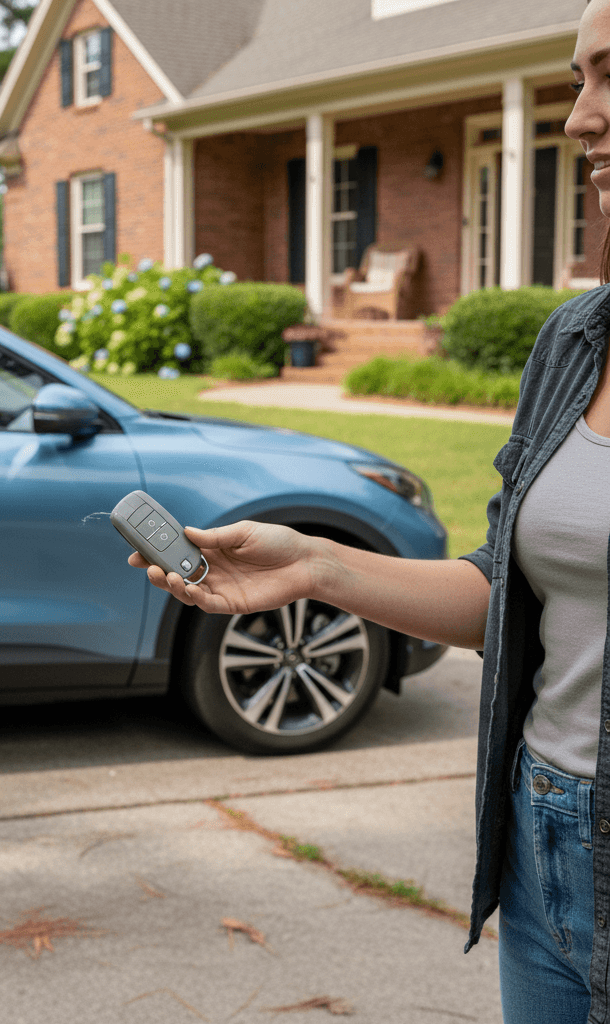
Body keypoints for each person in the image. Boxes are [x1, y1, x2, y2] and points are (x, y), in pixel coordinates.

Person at [130, 5, 610, 1020]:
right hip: (543, 838)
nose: (577, 120)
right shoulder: (574, 342)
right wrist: (313, 565)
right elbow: (503, 592)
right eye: (576, 81)